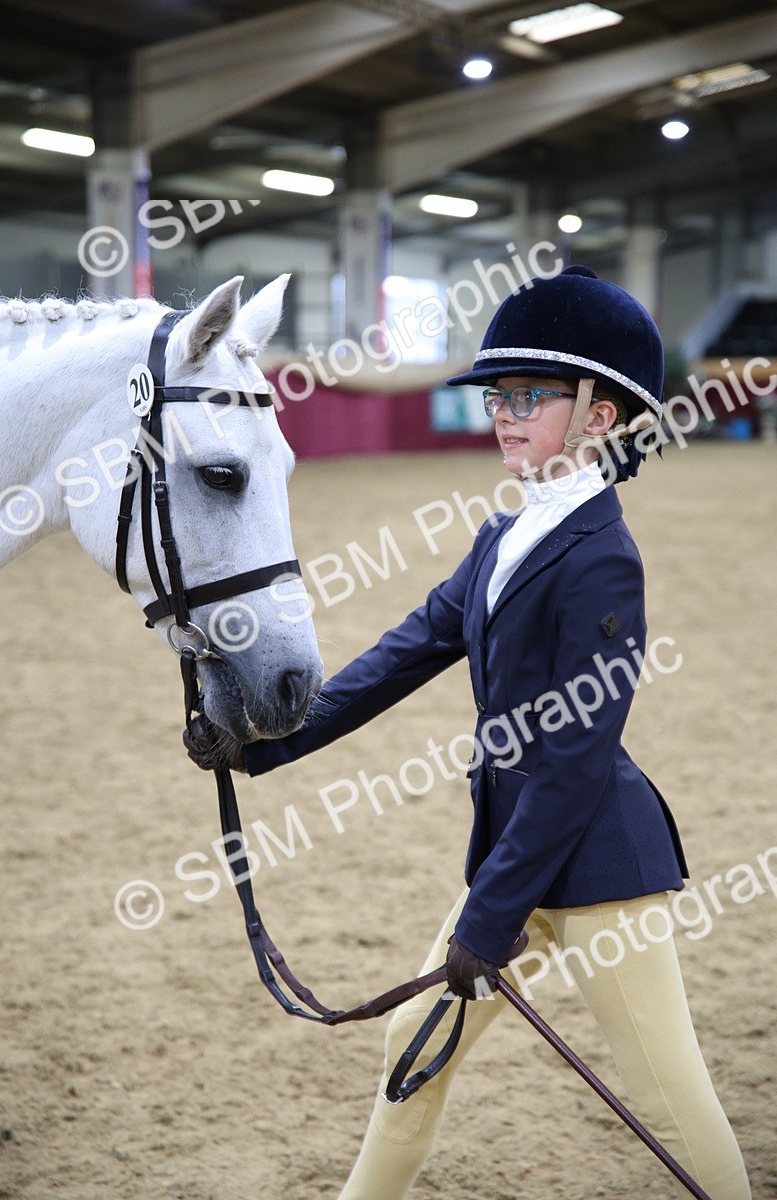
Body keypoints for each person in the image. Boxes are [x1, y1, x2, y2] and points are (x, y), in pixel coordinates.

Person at [185, 265, 751, 1199]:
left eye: (530, 396)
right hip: (511, 858)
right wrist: (261, 742)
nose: (504, 413)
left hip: (598, 872)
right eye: (498, 395)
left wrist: (488, 920)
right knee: (412, 1056)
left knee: (671, 1099)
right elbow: (399, 657)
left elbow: (575, 762)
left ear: (601, 416)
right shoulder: (501, 537)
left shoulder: (604, 562)